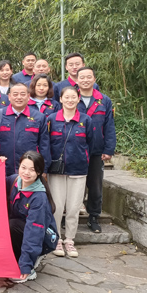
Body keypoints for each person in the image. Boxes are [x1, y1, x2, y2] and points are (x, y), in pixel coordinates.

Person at [47, 86, 94, 258]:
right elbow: (46, 143)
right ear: (60, 99)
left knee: (74, 207)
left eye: (73, 97)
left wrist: (82, 158)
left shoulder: (86, 120)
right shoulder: (52, 119)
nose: (70, 100)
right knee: (57, 207)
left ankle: (70, 240)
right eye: (66, 97)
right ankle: (56, 239)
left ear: (78, 99)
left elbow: (91, 143)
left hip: (78, 169)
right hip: (56, 171)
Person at [7, 151, 59, 283]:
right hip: (22, 229)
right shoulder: (14, 181)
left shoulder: (39, 198)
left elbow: (34, 232)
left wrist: (25, 266)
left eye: (32, 169)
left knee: (12, 226)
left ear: (39, 172)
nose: (26, 172)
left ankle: (29, 265)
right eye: (23, 167)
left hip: (42, 237)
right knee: (7, 224)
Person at [76, 67, 116, 233]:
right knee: (74, 184)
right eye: (82, 77)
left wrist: (109, 149)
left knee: (95, 185)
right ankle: (69, 216)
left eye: (88, 77)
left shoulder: (104, 100)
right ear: (77, 80)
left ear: (94, 79)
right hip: (75, 149)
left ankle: (93, 217)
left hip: (96, 150)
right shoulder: (71, 97)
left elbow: (109, 126)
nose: (85, 80)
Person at [0, 82, 51, 176]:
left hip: (30, 171)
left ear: (28, 96)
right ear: (9, 97)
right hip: (3, 168)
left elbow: (44, 146)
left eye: (22, 94)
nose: (19, 97)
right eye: (15, 94)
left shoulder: (39, 117)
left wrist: (44, 169)